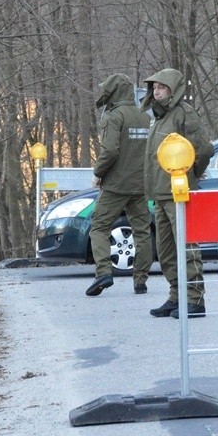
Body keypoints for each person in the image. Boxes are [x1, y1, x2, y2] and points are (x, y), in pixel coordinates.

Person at [142, 68, 214, 318]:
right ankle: (177, 295)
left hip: (179, 194)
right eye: (154, 87)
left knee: (187, 246)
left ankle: (195, 299)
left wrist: (191, 174)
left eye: (160, 87)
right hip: (160, 194)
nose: (155, 91)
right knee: (165, 250)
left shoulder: (184, 114)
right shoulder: (158, 117)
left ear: (173, 90)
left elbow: (203, 149)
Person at [86, 73, 153, 297]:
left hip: (115, 185)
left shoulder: (113, 116)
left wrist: (98, 173)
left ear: (113, 92)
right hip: (141, 184)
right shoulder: (145, 116)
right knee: (142, 231)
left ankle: (103, 272)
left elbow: (110, 150)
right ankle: (141, 280)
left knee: (99, 226)